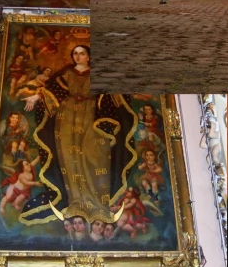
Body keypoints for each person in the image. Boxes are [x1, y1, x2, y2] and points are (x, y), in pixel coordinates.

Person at [19, 45, 138, 225]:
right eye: (75, 53)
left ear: (89, 56)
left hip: (93, 117)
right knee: (70, 157)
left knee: (95, 156)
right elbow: (54, 92)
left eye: (82, 53)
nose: (78, 56)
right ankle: (75, 202)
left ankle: (98, 205)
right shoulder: (66, 73)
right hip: (66, 117)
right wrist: (35, 97)